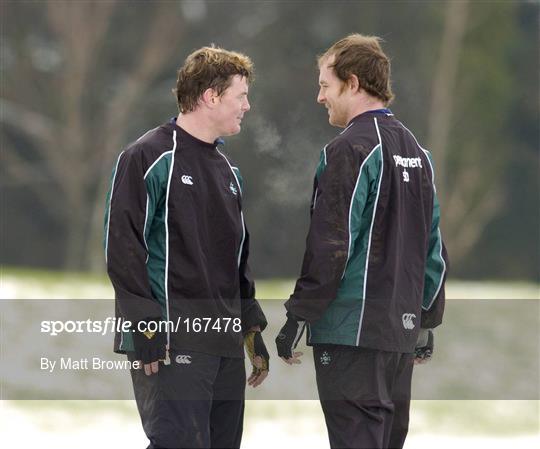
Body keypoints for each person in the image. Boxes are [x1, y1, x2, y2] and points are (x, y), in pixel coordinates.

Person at [275, 34, 448, 449]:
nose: (319, 97)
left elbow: (332, 244)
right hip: (399, 337)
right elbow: (434, 251)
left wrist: (299, 314)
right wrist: (425, 320)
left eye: (324, 85)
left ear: (352, 84)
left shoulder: (350, 148)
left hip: (352, 335)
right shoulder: (418, 153)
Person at [104, 45, 269, 449]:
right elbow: (123, 249)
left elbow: (238, 256)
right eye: (241, 96)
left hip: (224, 342)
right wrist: (144, 326)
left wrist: (250, 325)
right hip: (170, 340)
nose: (247, 106)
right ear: (211, 96)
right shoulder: (148, 156)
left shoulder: (229, 170)